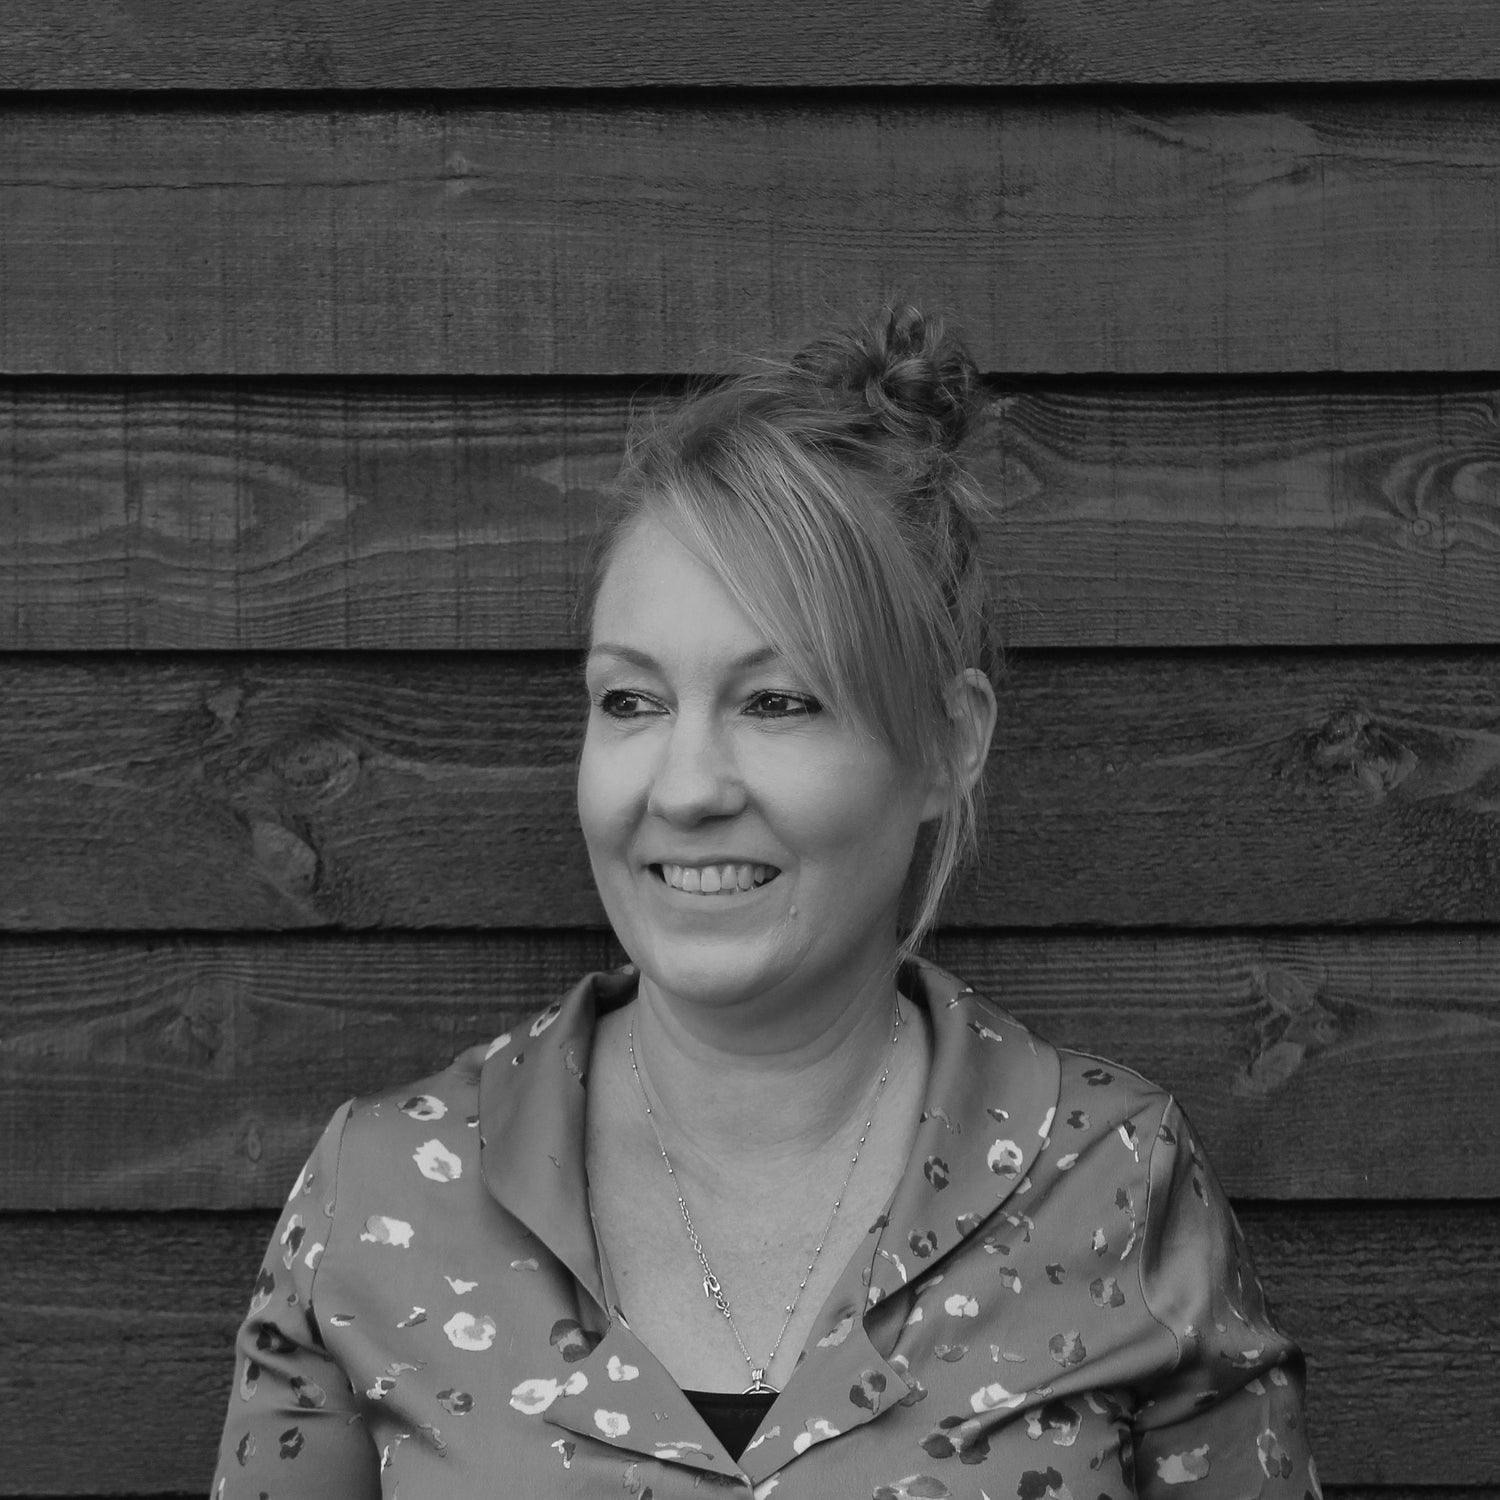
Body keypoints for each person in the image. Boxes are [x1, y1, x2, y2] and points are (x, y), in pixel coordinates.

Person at [211, 305, 1318, 1498]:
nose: (686, 788)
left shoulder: (1115, 1181)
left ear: (947, 744)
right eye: (632, 702)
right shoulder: (382, 1196)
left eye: (776, 701)